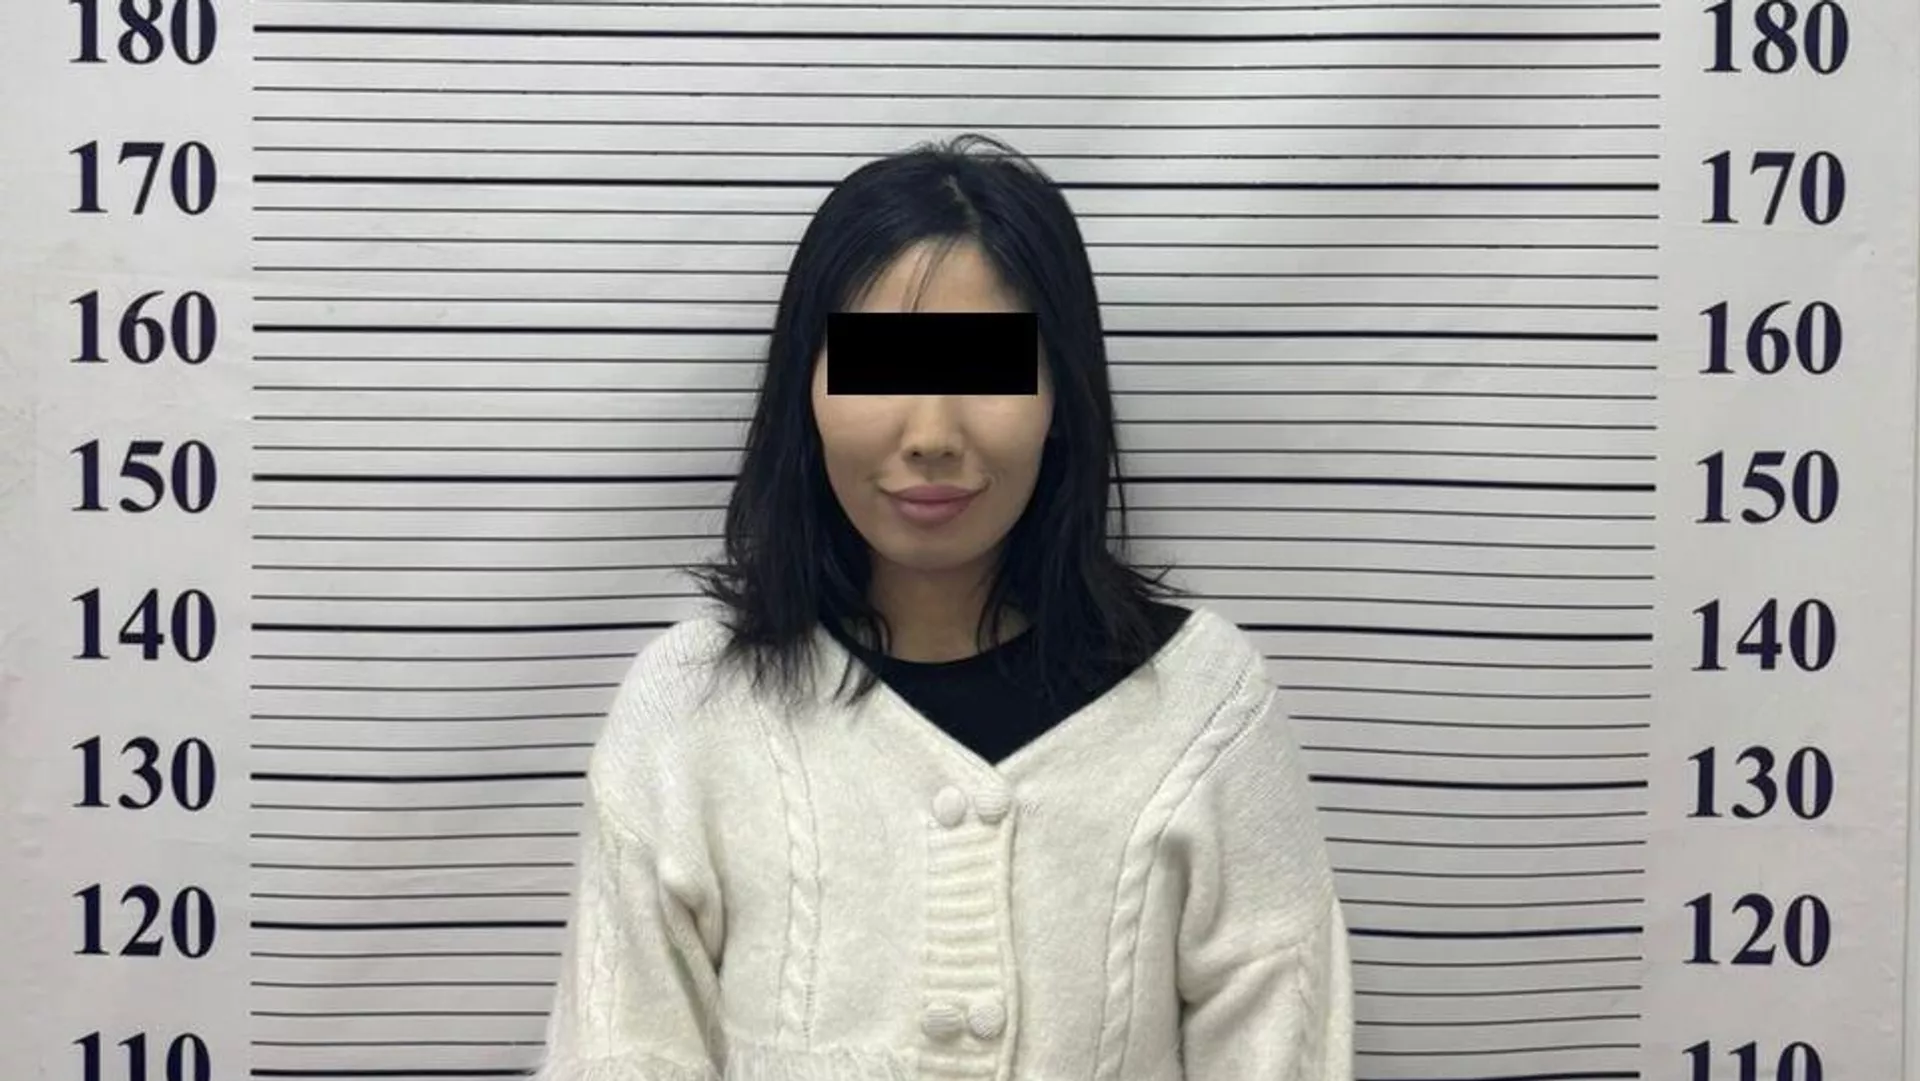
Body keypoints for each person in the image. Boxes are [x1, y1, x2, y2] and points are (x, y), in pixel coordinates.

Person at [531, 132, 1353, 1080]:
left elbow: (1282, 1046)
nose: (931, 434)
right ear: (806, 387)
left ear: (1061, 394)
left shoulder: (1207, 708)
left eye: (986, 366)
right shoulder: (687, 710)